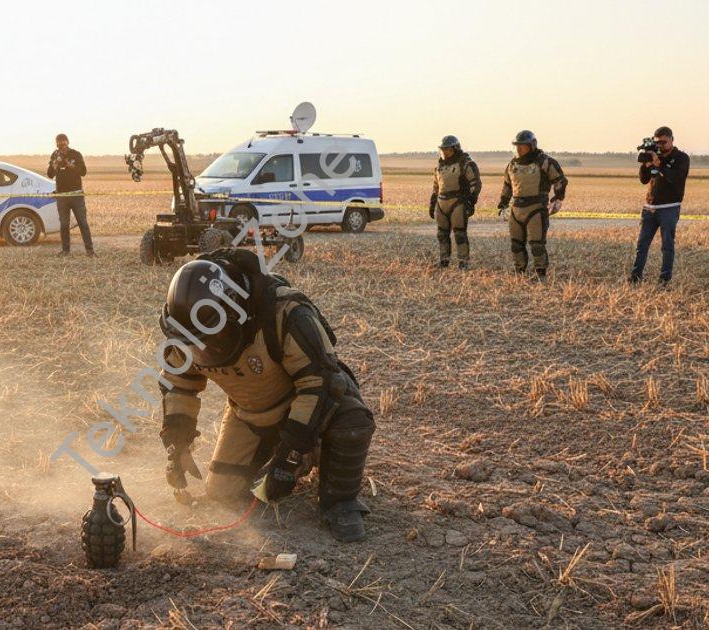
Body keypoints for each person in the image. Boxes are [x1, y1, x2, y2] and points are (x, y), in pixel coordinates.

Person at [156, 249, 375, 542]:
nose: (202, 352)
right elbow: (179, 386)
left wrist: (292, 451)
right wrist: (177, 444)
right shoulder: (185, 330)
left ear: (236, 315)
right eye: (194, 344)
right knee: (222, 492)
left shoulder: (284, 312)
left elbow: (320, 382)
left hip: (308, 406)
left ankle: (341, 501)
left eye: (211, 340)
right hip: (250, 413)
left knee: (351, 420)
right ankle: (290, 455)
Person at [497, 130, 568, 279]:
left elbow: (560, 179)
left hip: (536, 209)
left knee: (536, 244)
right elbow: (507, 185)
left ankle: (540, 273)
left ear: (532, 145)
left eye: (522, 146)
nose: (519, 149)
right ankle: (520, 272)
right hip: (516, 209)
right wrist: (503, 203)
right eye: (517, 146)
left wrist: (558, 198)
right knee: (516, 244)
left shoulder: (544, 162)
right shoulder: (512, 165)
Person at [630, 126, 690, 285]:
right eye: (658, 143)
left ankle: (664, 280)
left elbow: (676, 178)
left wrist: (660, 165)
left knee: (667, 246)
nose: (661, 146)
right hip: (649, 208)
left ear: (672, 139)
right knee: (642, 245)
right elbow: (643, 180)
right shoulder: (653, 155)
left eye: (664, 142)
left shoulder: (681, 158)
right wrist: (647, 165)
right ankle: (635, 277)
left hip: (670, 207)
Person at [429, 135, 482, 269]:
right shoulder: (440, 166)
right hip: (441, 202)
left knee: (459, 233)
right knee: (442, 234)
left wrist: (470, 202)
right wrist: (432, 203)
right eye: (443, 150)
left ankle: (463, 262)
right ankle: (444, 260)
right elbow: (436, 186)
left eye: (447, 150)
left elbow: (475, 184)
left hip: (458, 202)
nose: (445, 153)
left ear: (455, 149)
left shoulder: (465, 163)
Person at [47, 133, 94, 256]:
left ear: (68, 142)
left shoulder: (76, 154)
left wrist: (71, 165)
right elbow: (50, 175)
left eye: (63, 142)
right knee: (64, 225)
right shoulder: (54, 155)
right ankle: (65, 250)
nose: (61, 145)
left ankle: (90, 250)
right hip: (62, 196)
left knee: (82, 223)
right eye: (58, 143)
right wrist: (54, 165)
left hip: (76, 195)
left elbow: (83, 172)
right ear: (56, 144)